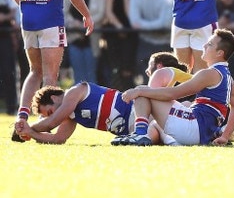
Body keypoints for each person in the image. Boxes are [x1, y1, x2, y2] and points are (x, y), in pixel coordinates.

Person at [8, 0, 95, 142]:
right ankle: (43, 127)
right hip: (50, 20)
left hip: (29, 19)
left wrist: (24, 6)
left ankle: (21, 121)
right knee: (50, 77)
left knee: (33, 71)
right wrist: (86, 14)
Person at [14, 52, 193, 145]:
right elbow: (57, 139)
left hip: (138, 114)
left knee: (167, 121)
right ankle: (171, 139)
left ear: (54, 97)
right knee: (155, 133)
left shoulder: (75, 92)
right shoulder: (70, 115)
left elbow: (52, 122)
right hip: (131, 129)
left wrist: (28, 128)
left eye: (50, 110)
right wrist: (30, 133)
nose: (54, 114)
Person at [116, 28, 234, 147]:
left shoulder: (209, 74)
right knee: (149, 93)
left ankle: (140, 134)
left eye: (210, 44)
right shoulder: (226, 75)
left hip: (193, 128)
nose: (204, 45)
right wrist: (225, 136)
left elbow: (173, 94)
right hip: (201, 130)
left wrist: (139, 90)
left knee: (143, 92)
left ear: (219, 53)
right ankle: (143, 134)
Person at [129, 0, 173, 79]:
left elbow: (165, 23)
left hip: (164, 43)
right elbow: (134, 22)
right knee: (146, 79)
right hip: (145, 44)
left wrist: (144, 26)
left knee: (166, 80)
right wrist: (154, 26)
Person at [64, 0, 106, 84]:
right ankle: (78, 101)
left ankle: (92, 101)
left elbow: (101, 13)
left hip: (92, 40)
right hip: (74, 38)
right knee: (77, 75)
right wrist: (74, 23)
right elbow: (63, 13)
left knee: (91, 74)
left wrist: (87, 22)